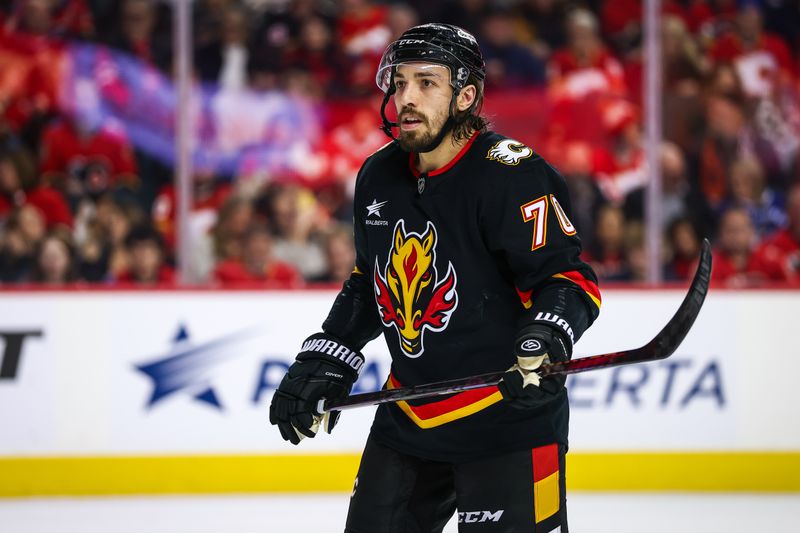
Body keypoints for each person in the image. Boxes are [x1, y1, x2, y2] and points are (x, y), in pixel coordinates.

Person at [269, 23, 601, 532]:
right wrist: (331, 352)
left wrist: (548, 332)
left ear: (465, 96)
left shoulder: (511, 175)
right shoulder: (378, 175)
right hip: (410, 415)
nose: (406, 98)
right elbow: (369, 279)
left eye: (427, 83)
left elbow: (569, 280)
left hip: (507, 419)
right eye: (399, 83)